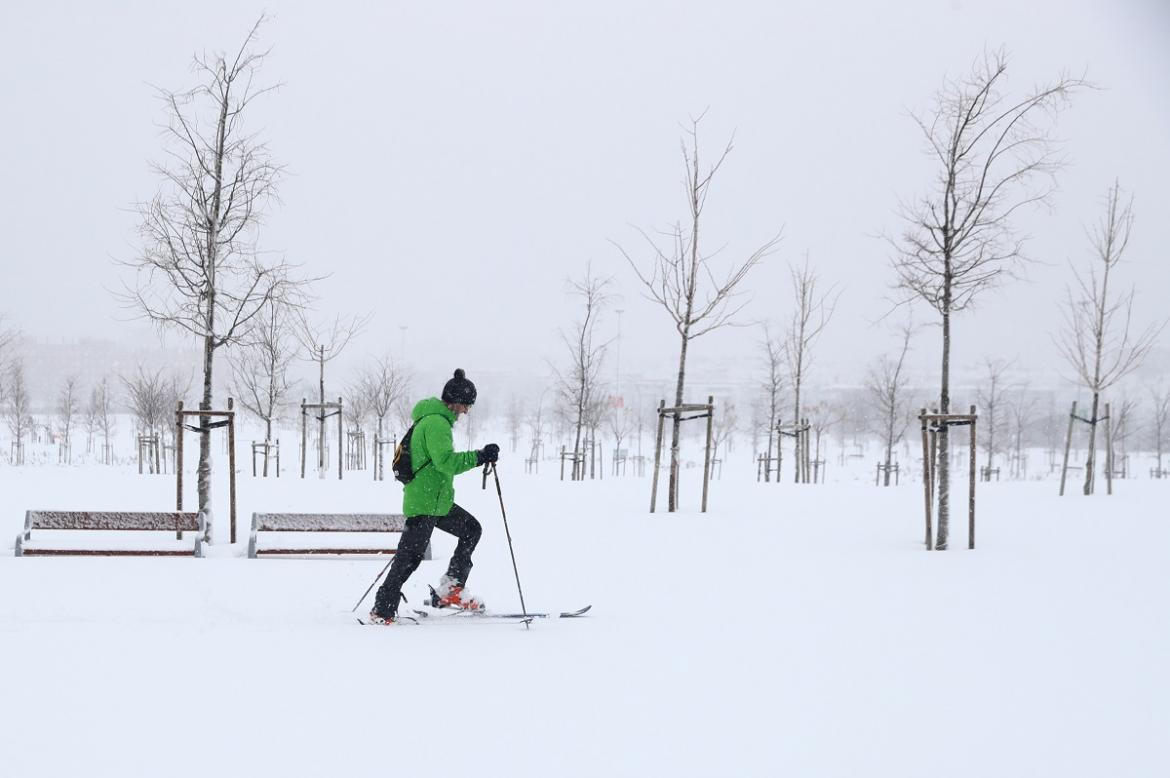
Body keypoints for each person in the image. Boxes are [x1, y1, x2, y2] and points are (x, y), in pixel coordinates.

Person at [369, 369, 500, 625]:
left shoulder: (431, 420)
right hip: (425, 502)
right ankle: (382, 610)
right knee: (409, 559)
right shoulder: (437, 423)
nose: (465, 412)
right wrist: (479, 456)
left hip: (437, 502)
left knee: (471, 530)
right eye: (466, 406)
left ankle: (451, 589)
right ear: (456, 402)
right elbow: (446, 462)